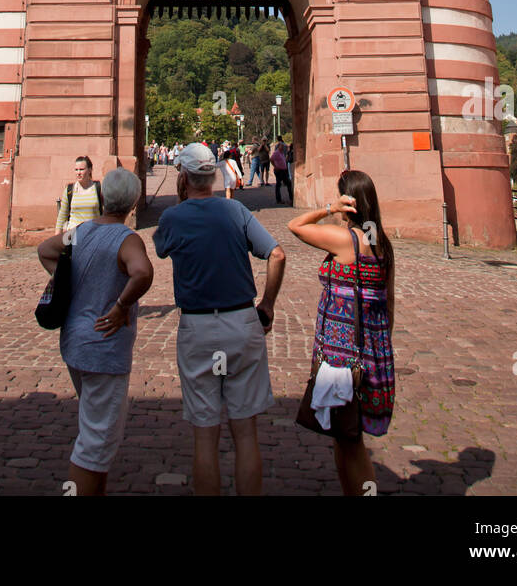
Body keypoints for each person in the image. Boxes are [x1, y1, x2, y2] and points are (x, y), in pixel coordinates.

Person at [153, 143, 285, 496]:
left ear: (183, 177)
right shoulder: (234, 211)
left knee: (204, 438)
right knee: (245, 435)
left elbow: (162, 248)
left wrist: (183, 204)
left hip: (197, 328)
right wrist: (267, 305)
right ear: (215, 175)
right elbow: (277, 254)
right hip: (241, 322)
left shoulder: (172, 218)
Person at [38, 168, 153, 497]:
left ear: (102, 199)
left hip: (74, 344)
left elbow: (45, 250)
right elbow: (143, 272)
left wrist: (64, 282)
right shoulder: (127, 239)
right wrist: (121, 305)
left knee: (96, 436)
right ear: (133, 204)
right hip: (103, 347)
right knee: (94, 442)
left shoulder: (82, 232)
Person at [287, 170, 395, 496]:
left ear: (350, 204)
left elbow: (296, 227)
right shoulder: (383, 246)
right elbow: (388, 309)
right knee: (344, 432)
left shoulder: (347, 241)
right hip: (373, 354)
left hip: (342, 354)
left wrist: (328, 208)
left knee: (351, 442)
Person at [55, 156, 103, 236]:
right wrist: (56, 239)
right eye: (76, 170)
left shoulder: (98, 188)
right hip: (72, 236)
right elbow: (62, 216)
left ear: (90, 170)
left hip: (93, 235)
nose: (78, 173)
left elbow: (107, 213)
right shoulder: (69, 190)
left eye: (81, 169)